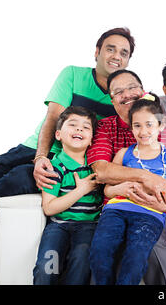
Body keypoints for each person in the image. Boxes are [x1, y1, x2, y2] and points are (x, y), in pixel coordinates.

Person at [0, 27, 135, 281]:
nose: (117, 55)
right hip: (38, 146)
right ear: (97, 52)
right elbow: (52, 119)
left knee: (18, 178)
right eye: (110, 48)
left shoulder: (122, 96)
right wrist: (41, 157)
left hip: (69, 160)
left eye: (124, 52)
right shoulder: (73, 74)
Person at [86, 69, 166, 285]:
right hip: (116, 207)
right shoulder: (106, 129)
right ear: (112, 100)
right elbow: (102, 172)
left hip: (157, 208)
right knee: (100, 250)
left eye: (132, 87)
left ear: (142, 91)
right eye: (119, 92)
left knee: (147, 248)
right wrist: (142, 178)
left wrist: (160, 202)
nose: (127, 94)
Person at [33, 106, 101, 285]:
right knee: (47, 266)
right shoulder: (54, 167)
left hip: (89, 225)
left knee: (81, 259)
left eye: (86, 127)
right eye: (73, 125)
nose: (79, 129)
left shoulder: (96, 165)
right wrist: (81, 190)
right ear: (58, 135)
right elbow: (49, 207)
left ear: (91, 140)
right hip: (59, 226)